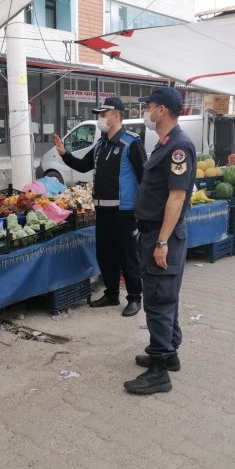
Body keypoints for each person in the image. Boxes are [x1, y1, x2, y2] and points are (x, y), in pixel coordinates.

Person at [123, 87, 196, 395]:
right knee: (166, 296)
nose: (146, 112)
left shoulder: (178, 146)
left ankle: (158, 370)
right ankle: (170, 353)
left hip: (161, 235)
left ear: (162, 110)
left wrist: (162, 242)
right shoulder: (165, 144)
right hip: (154, 232)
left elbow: (177, 197)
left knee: (158, 300)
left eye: (149, 106)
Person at [52, 96, 146, 317]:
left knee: (127, 256)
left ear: (115, 115)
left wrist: (141, 211)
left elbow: (145, 178)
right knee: (105, 254)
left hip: (124, 212)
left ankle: (134, 298)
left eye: (103, 115)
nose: (100, 119)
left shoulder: (132, 143)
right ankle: (112, 294)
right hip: (101, 211)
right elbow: (83, 166)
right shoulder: (101, 144)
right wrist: (64, 153)